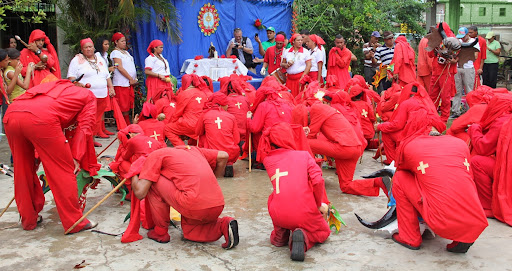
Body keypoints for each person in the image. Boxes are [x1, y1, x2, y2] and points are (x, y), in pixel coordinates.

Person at [3, 80, 99, 233]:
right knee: (62, 170)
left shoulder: (54, 86)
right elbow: (85, 127)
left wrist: (37, 154)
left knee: (22, 170)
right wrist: (76, 157)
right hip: (41, 119)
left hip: (12, 114)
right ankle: (74, 222)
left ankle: (28, 219)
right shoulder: (88, 96)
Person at [391, 134, 488, 253]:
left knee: (400, 177)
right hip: (476, 221)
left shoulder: (413, 146)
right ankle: (465, 231)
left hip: (440, 221)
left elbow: (402, 167)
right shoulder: (460, 144)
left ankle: (409, 237)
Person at [131, 146, 239, 248]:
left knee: (153, 181)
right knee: (190, 232)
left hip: (193, 205)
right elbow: (224, 156)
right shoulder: (192, 149)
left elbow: (140, 193)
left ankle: (160, 232)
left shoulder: (156, 155)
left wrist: (132, 171)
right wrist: (215, 178)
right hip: (217, 203)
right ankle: (224, 225)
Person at [258, 122, 330, 261]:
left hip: (279, 214)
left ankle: (280, 236)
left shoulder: (267, 160)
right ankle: (304, 237)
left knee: (274, 196)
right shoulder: (304, 155)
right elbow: (318, 181)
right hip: (304, 212)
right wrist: (317, 203)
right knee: (323, 232)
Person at [302, 103, 390, 196]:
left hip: (343, 147)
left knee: (305, 142)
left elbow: (311, 135)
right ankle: (378, 182)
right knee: (346, 186)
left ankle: (307, 175)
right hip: (355, 148)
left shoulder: (317, 108)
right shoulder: (330, 110)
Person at [376, 83, 446, 164]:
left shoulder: (406, 103)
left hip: (416, 134)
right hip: (429, 130)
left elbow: (397, 125)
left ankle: (393, 161)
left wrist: (380, 126)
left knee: (386, 131)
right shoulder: (426, 101)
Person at [469, 93, 512, 222]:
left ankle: (488, 206)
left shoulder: (501, 121)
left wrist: (475, 129)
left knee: (477, 162)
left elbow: (483, 148)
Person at [68, 38, 115, 146]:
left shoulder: (99, 58)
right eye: (86, 47)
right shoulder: (77, 60)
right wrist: (78, 84)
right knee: (87, 119)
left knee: (97, 120)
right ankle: (83, 141)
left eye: (90, 47)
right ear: (82, 49)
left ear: (94, 47)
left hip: (102, 94)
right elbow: (71, 78)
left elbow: (106, 75)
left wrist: (111, 87)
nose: (88, 49)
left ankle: (92, 140)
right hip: (87, 96)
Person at [196, 92, 240, 177]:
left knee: (202, 136)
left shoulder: (205, 115)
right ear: (221, 105)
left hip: (213, 153)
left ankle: (212, 165)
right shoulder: (231, 116)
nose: (227, 106)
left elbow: (197, 132)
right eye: (226, 104)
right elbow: (237, 140)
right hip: (231, 153)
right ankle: (228, 163)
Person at [164, 74, 208, 146]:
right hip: (202, 125)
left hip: (189, 124)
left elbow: (177, 113)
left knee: (168, 129)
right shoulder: (203, 93)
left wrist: (172, 123)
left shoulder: (184, 94)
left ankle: (184, 149)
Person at [428, 23, 458, 122]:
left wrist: (454, 60)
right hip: (436, 71)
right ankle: (432, 116)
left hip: (447, 71)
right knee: (432, 95)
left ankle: (444, 118)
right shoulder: (436, 38)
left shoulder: (453, 40)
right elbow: (430, 55)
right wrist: (434, 47)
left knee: (445, 96)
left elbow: (458, 56)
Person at [111, 32, 137, 124]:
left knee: (127, 103)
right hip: (121, 82)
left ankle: (126, 121)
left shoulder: (126, 52)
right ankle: (121, 122)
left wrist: (134, 78)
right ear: (116, 42)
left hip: (129, 83)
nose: (124, 43)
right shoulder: (115, 53)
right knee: (122, 103)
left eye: (125, 41)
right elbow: (119, 67)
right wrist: (130, 78)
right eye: (122, 41)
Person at [452, 27, 478, 119]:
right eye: (461, 37)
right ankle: (456, 110)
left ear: (467, 34)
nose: (462, 38)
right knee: (457, 90)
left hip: (468, 68)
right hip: (458, 67)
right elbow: (453, 52)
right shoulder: (458, 41)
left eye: (463, 36)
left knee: (469, 90)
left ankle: (469, 111)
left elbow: (476, 55)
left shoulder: (474, 42)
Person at [94, 36, 116, 137]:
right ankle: (98, 130)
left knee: (103, 108)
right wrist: (109, 69)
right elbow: (101, 69)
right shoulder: (97, 56)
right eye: (105, 44)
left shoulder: (104, 55)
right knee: (99, 109)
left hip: (105, 84)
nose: (107, 46)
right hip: (100, 84)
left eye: (108, 44)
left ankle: (102, 128)